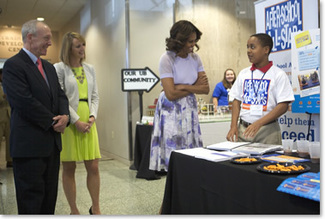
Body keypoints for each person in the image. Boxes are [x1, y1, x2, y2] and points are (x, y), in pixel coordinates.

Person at [2, 20, 70, 214]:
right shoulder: (13, 66)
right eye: (47, 38)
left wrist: (65, 115)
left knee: (49, 198)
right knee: (31, 201)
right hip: (29, 147)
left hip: (52, 146)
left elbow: (60, 95)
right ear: (30, 37)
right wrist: (53, 122)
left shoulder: (49, 67)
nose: (50, 43)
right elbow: (23, 101)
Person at [149, 20, 209, 172]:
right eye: (190, 41)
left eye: (195, 41)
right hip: (170, 110)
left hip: (189, 107)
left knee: (191, 154)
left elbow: (206, 88)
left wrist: (181, 86)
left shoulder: (196, 58)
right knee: (173, 152)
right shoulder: (167, 58)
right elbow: (170, 94)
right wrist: (194, 87)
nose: (193, 45)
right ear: (179, 40)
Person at [54, 32, 101, 215]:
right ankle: (74, 210)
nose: (82, 49)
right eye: (78, 46)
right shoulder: (59, 68)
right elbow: (61, 98)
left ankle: (95, 207)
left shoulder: (90, 68)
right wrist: (76, 121)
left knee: (94, 166)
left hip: (88, 120)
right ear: (69, 48)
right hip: (70, 121)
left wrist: (92, 117)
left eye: (83, 45)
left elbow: (95, 96)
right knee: (69, 167)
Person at [226, 33, 294, 144]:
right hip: (243, 130)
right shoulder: (244, 73)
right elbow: (236, 100)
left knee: (269, 161)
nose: (248, 51)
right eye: (247, 47)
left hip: (268, 131)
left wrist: (258, 123)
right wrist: (233, 126)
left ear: (266, 50)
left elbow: (283, 105)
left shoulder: (278, 74)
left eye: (252, 47)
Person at [0, 68, 12, 168]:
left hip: (9, 116)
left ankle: (10, 160)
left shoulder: (8, 84)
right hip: (0, 116)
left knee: (10, 139)